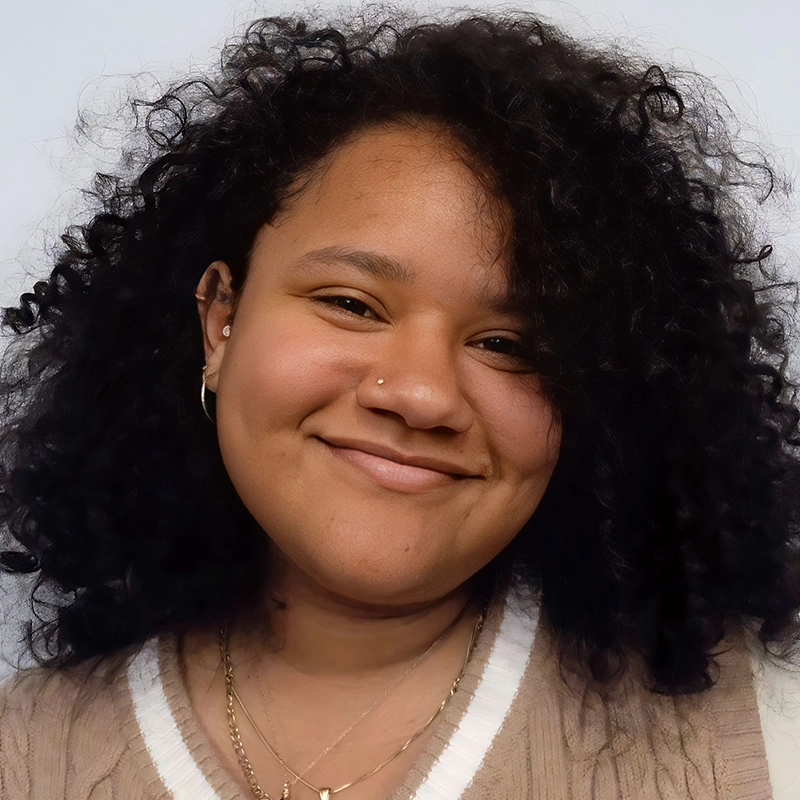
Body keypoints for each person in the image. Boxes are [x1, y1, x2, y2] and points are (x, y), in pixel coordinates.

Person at [1, 6, 799, 799]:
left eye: (510, 346)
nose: (421, 395)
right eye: (352, 303)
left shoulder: (770, 727)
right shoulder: (25, 754)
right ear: (220, 323)